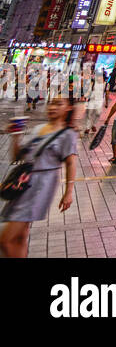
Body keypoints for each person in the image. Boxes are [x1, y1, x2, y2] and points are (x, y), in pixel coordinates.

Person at [0, 96, 78, 258]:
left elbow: (71, 163)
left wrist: (68, 192)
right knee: (20, 237)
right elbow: (17, 157)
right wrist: (15, 136)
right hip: (24, 183)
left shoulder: (68, 134)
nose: (53, 107)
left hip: (40, 187)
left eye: (58, 104)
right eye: (51, 103)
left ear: (69, 108)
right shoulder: (38, 128)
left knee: (5, 240)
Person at [82, 71, 106, 135]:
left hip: (100, 101)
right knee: (89, 114)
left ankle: (94, 125)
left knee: (98, 113)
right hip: (92, 100)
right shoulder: (93, 83)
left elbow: (107, 93)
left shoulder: (106, 84)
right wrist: (85, 96)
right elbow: (89, 91)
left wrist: (106, 103)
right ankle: (87, 128)